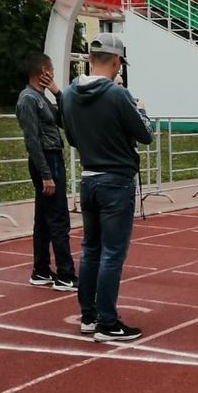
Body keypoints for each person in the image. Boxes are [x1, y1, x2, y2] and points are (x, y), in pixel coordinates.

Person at [62, 33, 153, 342]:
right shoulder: (118, 95)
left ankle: (88, 316)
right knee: (112, 253)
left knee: (90, 250)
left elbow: (72, 138)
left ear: (89, 59)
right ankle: (107, 321)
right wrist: (140, 109)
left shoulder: (69, 95)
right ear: (116, 62)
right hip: (116, 181)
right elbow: (145, 134)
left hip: (88, 178)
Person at [15, 52, 78, 291]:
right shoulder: (28, 99)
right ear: (42, 72)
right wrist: (45, 174)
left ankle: (41, 269)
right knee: (58, 217)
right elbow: (32, 141)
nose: (52, 74)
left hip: (52, 156)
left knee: (43, 218)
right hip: (46, 160)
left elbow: (64, 120)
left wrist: (57, 92)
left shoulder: (42, 98)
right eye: (50, 70)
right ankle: (65, 273)